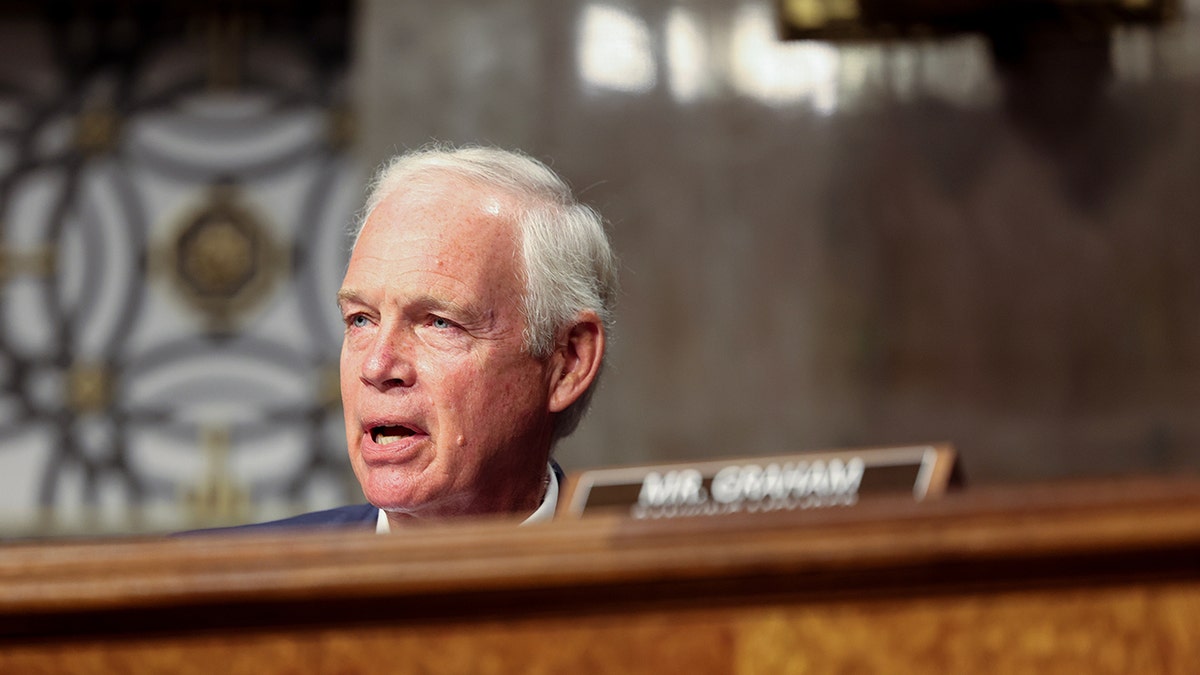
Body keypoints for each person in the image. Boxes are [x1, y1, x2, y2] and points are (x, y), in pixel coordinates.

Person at [231, 144, 617, 532]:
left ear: (568, 362)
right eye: (362, 319)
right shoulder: (218, 584)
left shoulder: (654, 584)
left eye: (438, 322)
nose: (377, 366)